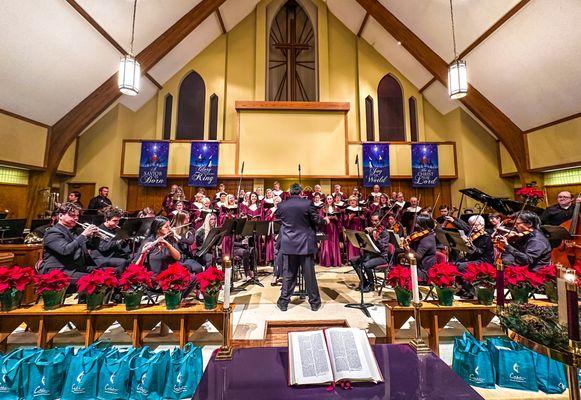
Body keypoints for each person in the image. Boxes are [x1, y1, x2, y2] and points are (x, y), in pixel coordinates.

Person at [275, 183, 327, 312]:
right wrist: (325, 220)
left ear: (290, 192)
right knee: (309, 275)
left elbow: (278, 216)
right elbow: (316, 220)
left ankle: (284, 302)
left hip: (289, 244)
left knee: (288, 275)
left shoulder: (282, 205)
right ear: (300, 192)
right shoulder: (307, 203)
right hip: (305, 244)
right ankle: (314, 303)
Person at [41, 203, 99, 284]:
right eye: (72, 215)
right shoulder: (53, 232)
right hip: (58, 269)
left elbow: (91, 247)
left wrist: (95, 236)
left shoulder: (74, 231)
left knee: (103, 274)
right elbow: (65, 250)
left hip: (74, 266)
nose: (76, 218)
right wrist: (84, 235)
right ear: (60, 216)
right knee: (93, 280)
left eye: (77, 215)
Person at [350, 212, 393, 292]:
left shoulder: (384, 232)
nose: (374, 223)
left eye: (376, 221)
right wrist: (365, 234)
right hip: (371, 255)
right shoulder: (372, 230)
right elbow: (365, 243)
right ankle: (364, 281)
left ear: (380, 221)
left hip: (382, 257)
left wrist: (377, 239)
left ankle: (371, 285)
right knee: (353, 260)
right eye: (372, 221)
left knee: (366, 265)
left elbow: (383, 248)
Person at [90, 206, 131, 273]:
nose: (117, 223)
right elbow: (103, 248)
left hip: (113, 254)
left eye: (118, 221)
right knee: (123, 262)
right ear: (107, 219)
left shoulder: (115, 229)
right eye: (115, 221)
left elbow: (121, 247)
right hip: (101, 257)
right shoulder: (99, 230)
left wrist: (125, 240)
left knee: (133, 257)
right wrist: (117, 241)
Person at [403, 214, 437, 282]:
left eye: (417, 223)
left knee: (403, 276)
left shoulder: (427, 239)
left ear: (424, 225)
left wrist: (408, 249)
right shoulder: (423, 236)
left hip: (424, 269)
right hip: (419, 265)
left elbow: (417, 257)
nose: (415, 225)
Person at [319, 195, 342, 267]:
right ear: (326, 200)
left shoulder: (337, 208)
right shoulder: (323, 208)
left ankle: (335, 261)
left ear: (333, 200)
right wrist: (325, 218)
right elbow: (320, 218)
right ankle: (327, 262)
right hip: (326, 227)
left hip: (334, 228)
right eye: (328, 198)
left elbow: (340, 219)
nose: (329, 200)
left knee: (334, 243)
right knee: (326, 243)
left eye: (331, 198)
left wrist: (336, 218)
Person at [343, 195, 367, 260]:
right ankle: (351, 259)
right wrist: (349, 218)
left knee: (359, 244)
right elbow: (344, 221)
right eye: (351, 200)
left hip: (359, 228)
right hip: (351, 228)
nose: (352, 201)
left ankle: (359, 259)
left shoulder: (360, 209)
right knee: (352, 244)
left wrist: (363, 219)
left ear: (357, 202)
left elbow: (365, 220)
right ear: (349, 202)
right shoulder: (347, 210)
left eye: (354, 200)